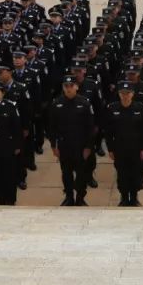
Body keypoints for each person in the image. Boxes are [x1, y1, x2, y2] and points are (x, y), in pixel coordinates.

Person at [48, 75, 96, 206]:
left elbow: (90, 128)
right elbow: (51, 127)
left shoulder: (84, 103)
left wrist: (88, 147)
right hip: (64, 145)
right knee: (66, 173)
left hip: (80, 145)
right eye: (66, 86)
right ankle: (69, 196)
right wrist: (53, 146)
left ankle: (80, 197)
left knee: (81, 174)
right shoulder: (57, 104)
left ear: (76, 87)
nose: (68, 89)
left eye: (71, 86)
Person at [103, 80, 143, 206]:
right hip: (120, 148)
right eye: (123, 93)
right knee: (122, 174)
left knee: (135, 174)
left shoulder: (140, 108)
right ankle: (124, 198)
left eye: (128, 93)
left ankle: (134, 198)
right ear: (119, 94)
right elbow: (108, 132)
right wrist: (110, 149)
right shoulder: (112, 108)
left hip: (135, 148)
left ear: (132, 94)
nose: (125, 95)